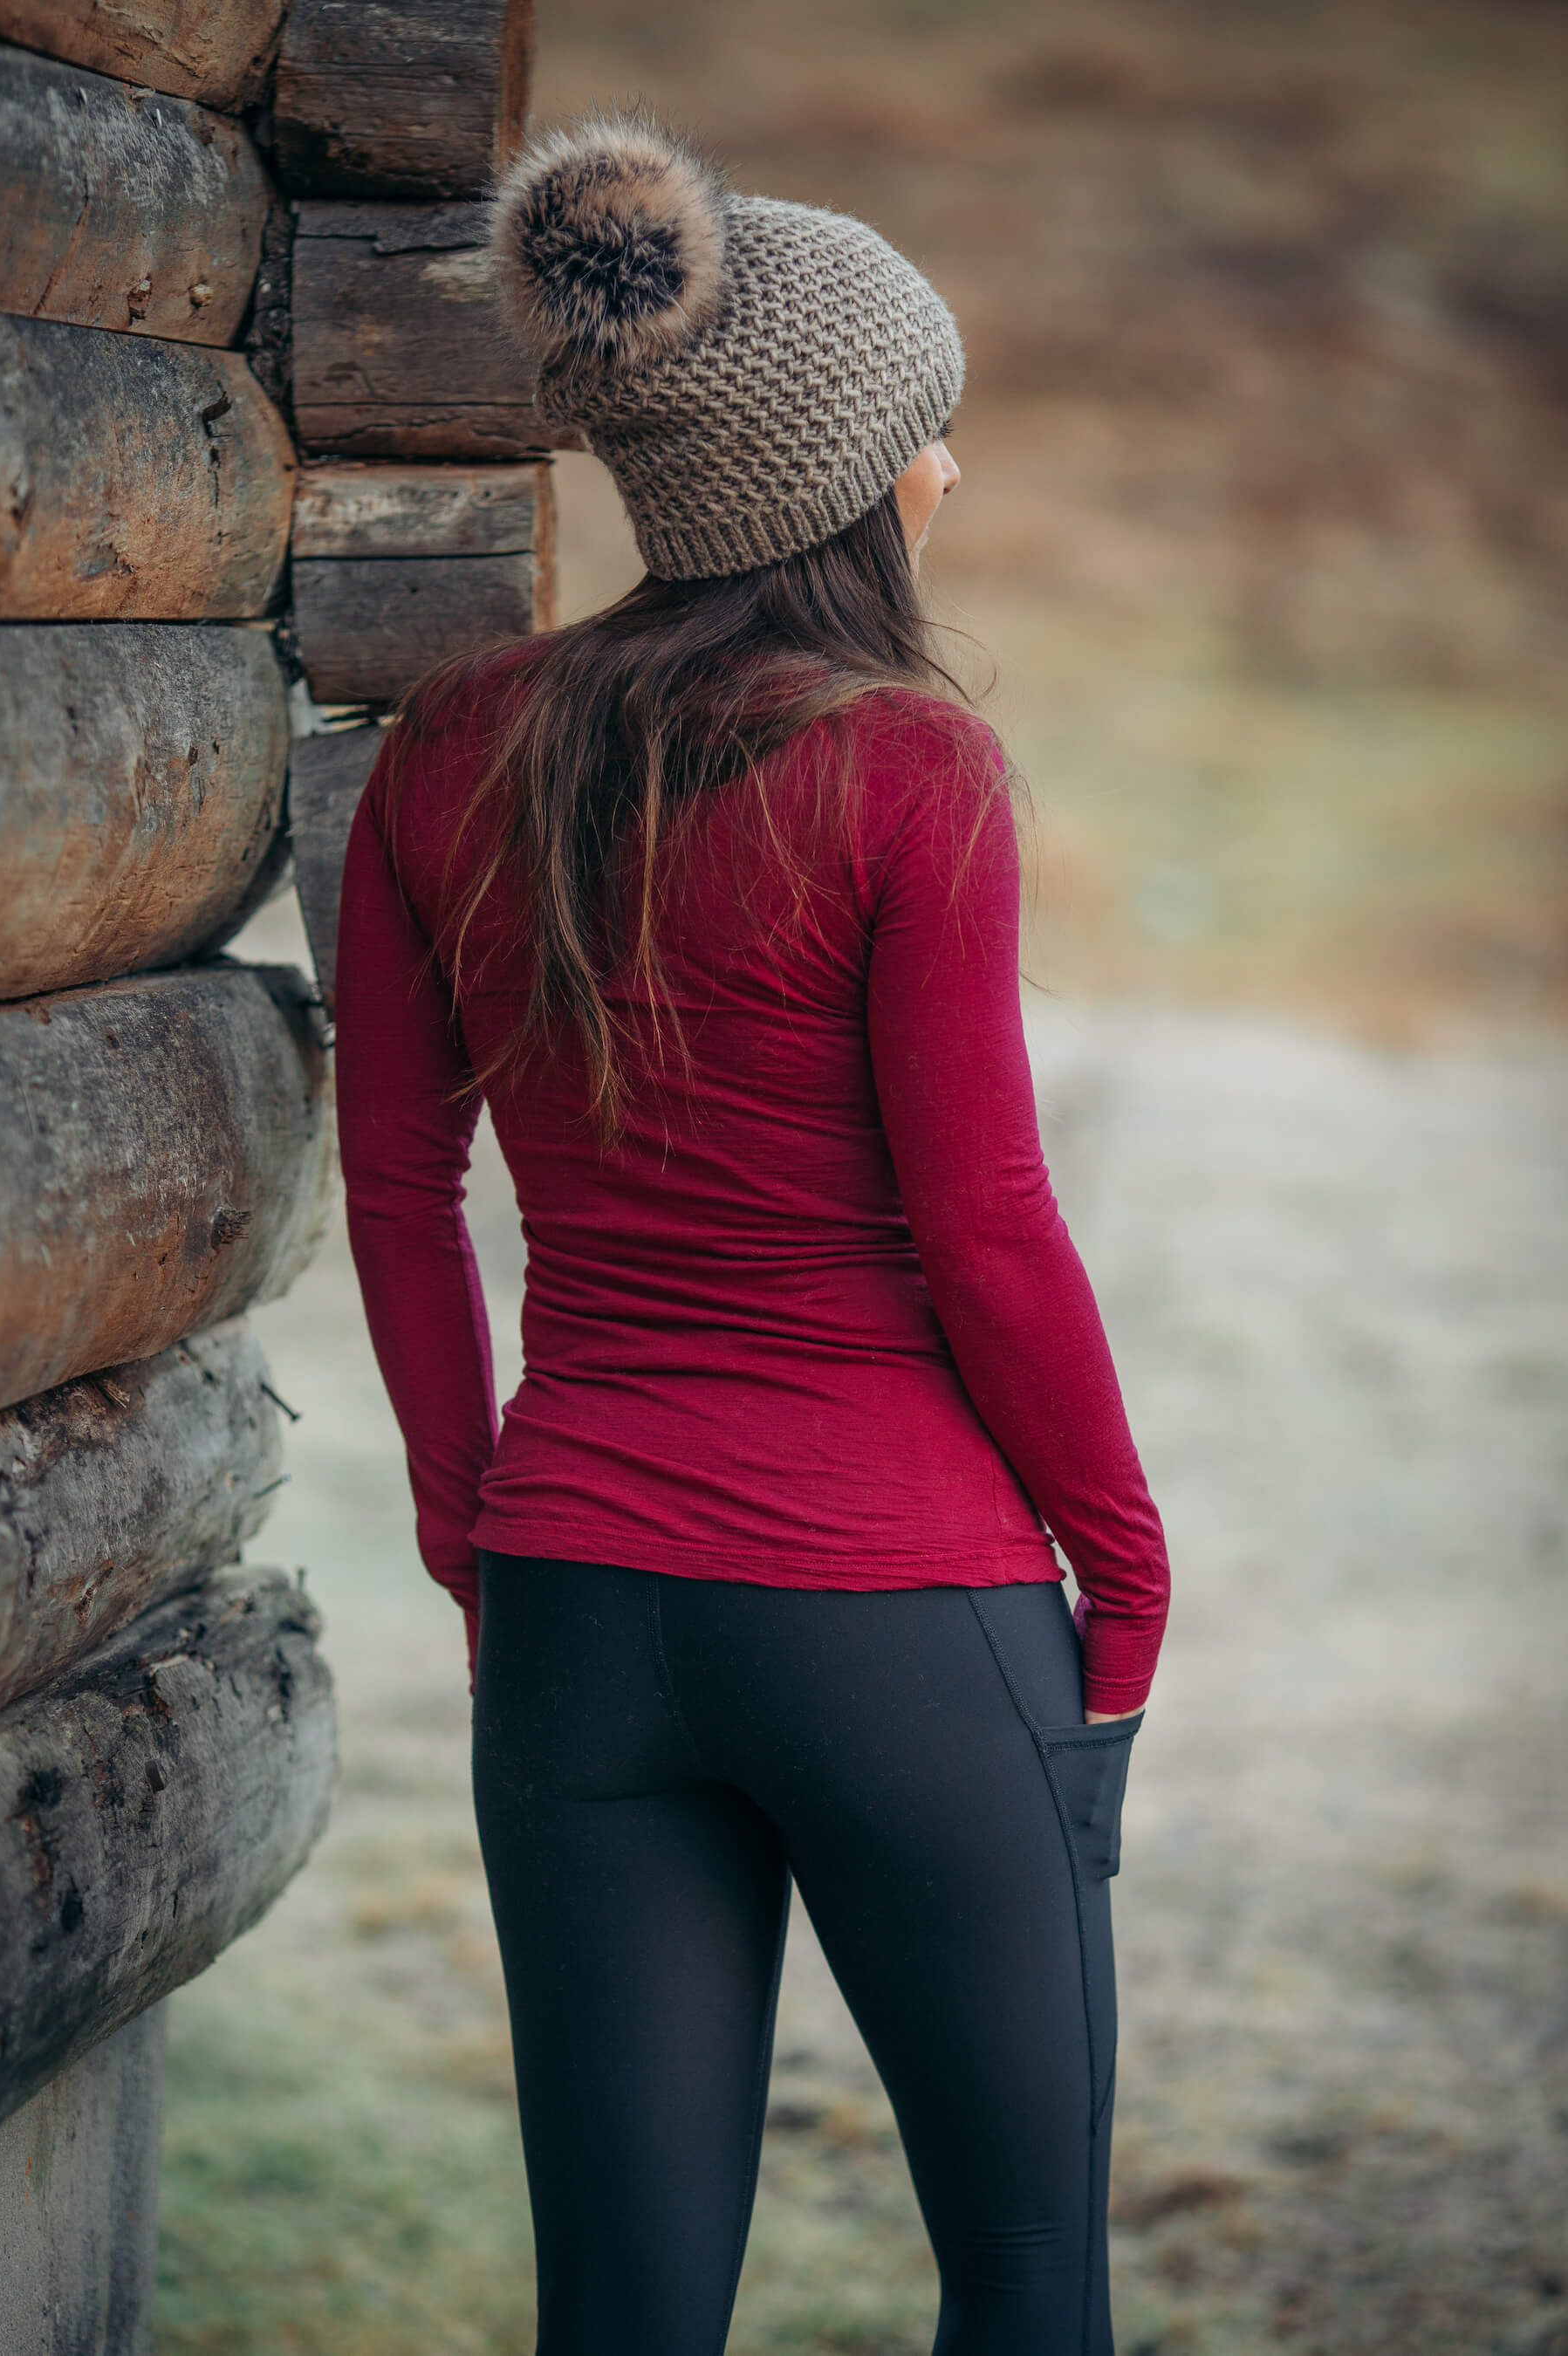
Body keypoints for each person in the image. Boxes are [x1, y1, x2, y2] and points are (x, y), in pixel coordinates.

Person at [334, 110, 1170, 2356]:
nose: (953, 476)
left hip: (584, 1607)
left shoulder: (449, 747)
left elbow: (400, 1192)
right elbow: (988, 1230)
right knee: (1023, 2291)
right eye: (931, 431)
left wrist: (476, 1519)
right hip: (906, 1617)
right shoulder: (910, 765)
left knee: (618, 2314)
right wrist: (1130, 1561)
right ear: (838, 473)